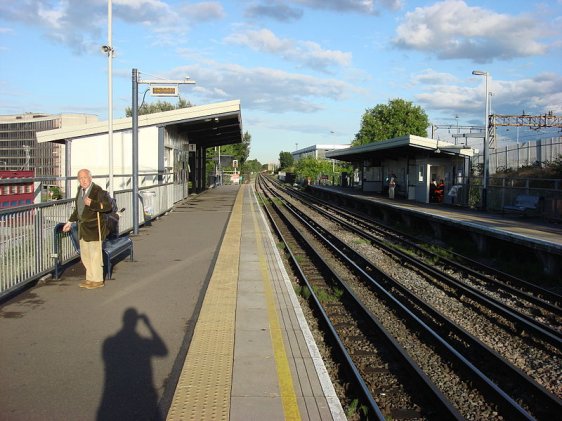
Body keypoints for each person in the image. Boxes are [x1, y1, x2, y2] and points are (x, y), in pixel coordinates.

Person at [63, 169, 111, 289]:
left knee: (95, 255)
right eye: (80, 178)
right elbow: (78, 210)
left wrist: (92, 203)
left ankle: (98, 280)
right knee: (85, 255)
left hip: (95, 229)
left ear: (90, 178)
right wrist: (70, 222)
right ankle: (90, 278)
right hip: (83, 229)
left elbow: (107, 207)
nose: (83, 180)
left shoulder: (98, 191)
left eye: (85, 178)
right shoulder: (80, 190)